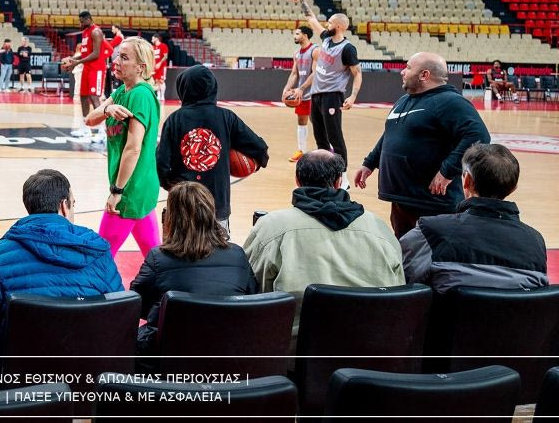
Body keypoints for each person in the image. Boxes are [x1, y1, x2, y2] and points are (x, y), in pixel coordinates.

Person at [243, 150, 404, 346]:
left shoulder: (271, 227)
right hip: (370, 347)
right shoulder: (380, 229)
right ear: (338, 182)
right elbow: (399, 290)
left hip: (296, 350)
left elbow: (249, 288)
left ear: (297, 180)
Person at [0, 169, 123, 358]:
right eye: (73, 204)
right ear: (64, 206)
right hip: (87, 367)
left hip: (21, 370)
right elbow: (120, 314)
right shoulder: (99, 252)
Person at [354, 52, 491, 238]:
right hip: (403, 199)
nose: (402, 72)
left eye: (408, 67)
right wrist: (369, 163)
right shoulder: (404, 100)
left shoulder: (450, 101)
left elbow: (479, 136)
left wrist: (448, 171)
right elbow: (390, 134)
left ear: (424, 75)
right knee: (406, 250)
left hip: (432, 203)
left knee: (434, 252)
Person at [132, 182, 258, 359]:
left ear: (171, 217)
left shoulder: (158, 257)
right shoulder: (237, 254)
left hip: (172, 355)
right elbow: (252, 296)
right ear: (211, 213)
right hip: (227, 352)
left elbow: (137, 305)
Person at [401, 144, 548, 293]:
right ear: (514, 187)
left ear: (467, 180)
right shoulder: (535, 241)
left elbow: (400, 281)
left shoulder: (431, 231)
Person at [156, 65, 269, 233]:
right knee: (218, 247)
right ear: (213, 88)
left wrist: (171, 186)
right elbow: (259, 148)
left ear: (183, 88)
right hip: (217, 205)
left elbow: (161, 162)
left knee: (180, 247)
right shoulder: (226, 117)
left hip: (183, 204)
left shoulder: (174, 120)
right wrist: (259, 162)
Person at [85, 37, 161, 257]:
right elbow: (89, 119)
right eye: (118, 55)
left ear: (141, 67)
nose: (116, 61)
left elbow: (133, 148)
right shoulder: (121, 92)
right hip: (140, 186)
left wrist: (117, 191)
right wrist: (107, 109)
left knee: (101, 257)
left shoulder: (140, 95)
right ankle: (167, 278)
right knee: (154, 255)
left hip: (130, 188)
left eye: (124, 57)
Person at [286, 0, 362, 179]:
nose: (327, 25)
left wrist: (353, 96)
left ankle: (342, 177)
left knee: (335, 137)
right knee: (320, 137)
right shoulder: (326, 39)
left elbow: (357, 73)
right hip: (316, 94)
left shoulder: (348, 48)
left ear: (339, 26)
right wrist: (302, 0)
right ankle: (325, 174)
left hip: (332, 96)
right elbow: (311, 18)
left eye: (330, 23)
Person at [61, 11, 107, 140]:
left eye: (82, 21)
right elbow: (85, 53)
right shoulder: (85, 32)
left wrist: (77, 62)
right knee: (83, 97)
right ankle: (86, 129)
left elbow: (96, 54)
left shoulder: (96, 32)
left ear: (88, 19)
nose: (80, 24)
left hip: (97, 69)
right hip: (87, 68)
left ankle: (103, 132)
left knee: (94, 98)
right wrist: (72, 59)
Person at [281, 25, 316, 163]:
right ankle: (301, 151)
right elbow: (294, 74)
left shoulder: (315, 50)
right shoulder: (296, 53)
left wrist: (302, 88)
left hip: (315, 92)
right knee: (301, 121)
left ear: (305, 35)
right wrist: (286, 89)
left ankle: (327, 148)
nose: (294, 36)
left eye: (297, 34)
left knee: (317, 122)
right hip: (301, 94)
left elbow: (316, 73)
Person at [151, 32, 170, 103]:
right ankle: (158, 95)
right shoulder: (153, 47)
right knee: (156, 81)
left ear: (156, 38)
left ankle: (162, 96)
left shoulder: (163, 46)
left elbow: (165, 56)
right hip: (155, 67)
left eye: (153, 38)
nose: (151, 40)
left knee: (161, 81)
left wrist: (159, 63)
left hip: (162, 66)